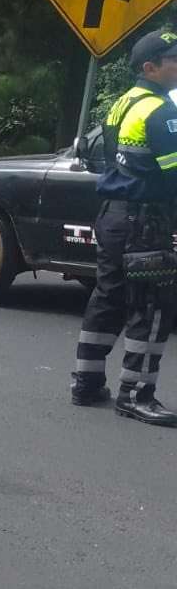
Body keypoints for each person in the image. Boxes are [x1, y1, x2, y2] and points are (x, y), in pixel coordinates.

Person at [70, 28, 177, 426]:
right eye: (174, 61)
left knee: (108, 296)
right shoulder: (163, 111)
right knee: (151, 307)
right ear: (150, 67)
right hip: (145, 221)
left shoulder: (121, 104)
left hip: (113, 216)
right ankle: (137, 394)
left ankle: (86, 381)